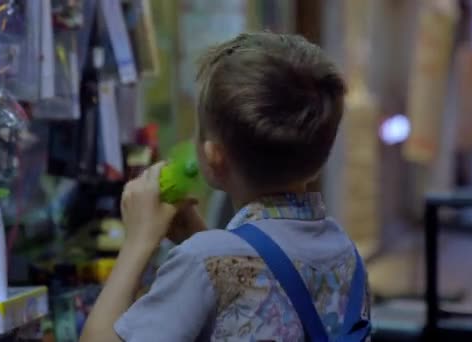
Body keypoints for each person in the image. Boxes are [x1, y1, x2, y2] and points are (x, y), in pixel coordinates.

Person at [81, 32, 370, 342]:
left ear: (213, 157)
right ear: (321, 157)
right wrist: (199, 238)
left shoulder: (202, 261)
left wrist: (138, 242)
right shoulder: (347, 254)